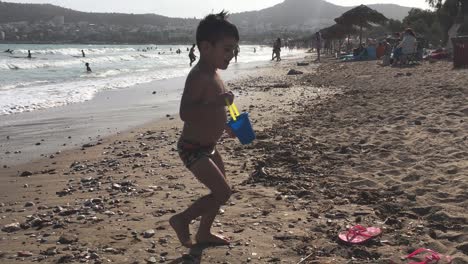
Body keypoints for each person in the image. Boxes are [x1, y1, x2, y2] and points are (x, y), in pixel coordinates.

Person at [169, 11, 239, 248]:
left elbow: (214, 112)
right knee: (223, 193)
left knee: (220, 190)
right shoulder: (199, 76)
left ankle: (204, 233)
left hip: (208, 147)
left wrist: (228, 125)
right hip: (193, 149)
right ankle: (182, 220)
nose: (232, 55)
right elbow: (186, 113)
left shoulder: (215, 74)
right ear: (206, 47)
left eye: (234, 50)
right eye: (227, 49)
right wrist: (217, 103)